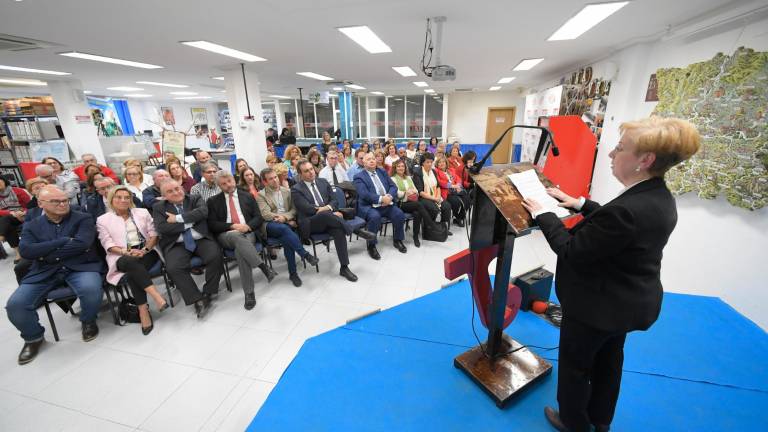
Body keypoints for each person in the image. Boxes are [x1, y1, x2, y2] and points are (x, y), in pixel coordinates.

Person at [520, 117, 701, 432]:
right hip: (626, 303)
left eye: (619, 148)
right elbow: (619, 228)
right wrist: (581, 204)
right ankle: (600, 420)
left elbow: (571, 250)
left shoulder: (628, 210)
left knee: (576, 367)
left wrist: (543, 212)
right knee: (609, 362)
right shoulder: (657, 196)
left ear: (645, 160)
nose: (610, 155)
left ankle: (573, 421)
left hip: (596, 306)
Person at [6, 186, 102, 365]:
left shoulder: (82, 218)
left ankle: (88, 320)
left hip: (80, 266)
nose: (62, 204)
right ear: (41, 203)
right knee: (16, 304)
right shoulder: (32, 224)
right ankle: (33, 338)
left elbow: (82, 244)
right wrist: (63, 241)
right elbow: (26, 250)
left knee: (91, 288)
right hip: (44, 270)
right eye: (56, 201)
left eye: (65, 200)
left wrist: (45, 252)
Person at [97, 186, 167, 335]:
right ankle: (156, 296)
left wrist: (145, 249)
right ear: (111, 200)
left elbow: (154, 234)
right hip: (121, 255)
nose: (123, 200)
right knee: (130, 263)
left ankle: (143, 311)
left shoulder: (142, 212)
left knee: (133, 272)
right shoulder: (103, 220)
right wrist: (126, 251)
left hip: (147, 252)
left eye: (127, 197)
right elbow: (107, 243)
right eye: (119, 197)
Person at [291, 159, 374, 282]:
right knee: (325, 215)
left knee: (338, 231)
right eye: (306, 171)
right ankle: (355, 230)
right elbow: (306, 208)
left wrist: (327, 208)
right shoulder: (296, 189)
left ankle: (344, 267)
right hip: (311, 223)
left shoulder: (323, 182)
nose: (311, 172)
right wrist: (328, 211)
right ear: (300, 174)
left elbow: (334, 201)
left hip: (330, 219)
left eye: (311, 169)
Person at [153, 179, 222, 318]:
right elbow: (162, 227)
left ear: (182, 188)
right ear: (164, 196)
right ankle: (197, 299)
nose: (176, 192)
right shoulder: (159, 207)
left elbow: (202, 213)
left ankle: (208, 292)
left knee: (215, 256)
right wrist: (189, 222)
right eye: (170, 191)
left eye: (177, 188)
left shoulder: (195, 198)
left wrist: (177, 219)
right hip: (176, 243)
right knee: (173, 268)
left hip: (200, 238)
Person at [207, 171, 276, 310]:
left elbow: (258, 217)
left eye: (230, 181)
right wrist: (232, 226)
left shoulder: (247, 196)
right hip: (226, 235)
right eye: (223, 184)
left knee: (240, 251)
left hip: (247, 232)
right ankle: (263, 267)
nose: (228, 185)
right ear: (218, 186)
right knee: (235, 236)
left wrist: (248, 226)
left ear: (234, 179)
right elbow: (212, 224)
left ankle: (249, 293)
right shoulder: (213, 201)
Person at [256, 168, 318, 287]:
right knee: (285, 230)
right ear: (264, 182)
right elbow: (266, 214)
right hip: (270, 225)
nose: (275, 180)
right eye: (271, 179)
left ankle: (293, 273)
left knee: (286, 236)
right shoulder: (261, 195)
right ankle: (304, 254)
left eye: (275, 177)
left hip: (286, 223)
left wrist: (285, 218)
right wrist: (284, 219)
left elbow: (294, 210)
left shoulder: (287, 191)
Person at [353, 153, 408, 259]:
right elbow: (364, 194)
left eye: (373, 158)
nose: (372, 161)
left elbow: (393, 186)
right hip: (369, 206)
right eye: (369, 159)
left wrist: (389, 197)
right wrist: (381, 199)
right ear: (363, 162)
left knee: (399, 214)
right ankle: (371, 245)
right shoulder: (359, 177)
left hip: (387, 203)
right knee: (375, 217)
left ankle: (397, 240)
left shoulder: (382, 171)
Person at [390, 159, 435, 248]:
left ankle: (415, 237)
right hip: (401, 203)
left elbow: (416, 191)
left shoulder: (408, 177)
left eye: (402, 166)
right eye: (398, 166)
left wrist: (412, 191)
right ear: (395, 168)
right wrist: (406, 192)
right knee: (419, 205)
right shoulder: (393, 179)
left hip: (412, 202)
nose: (401, 168)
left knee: (417, 213)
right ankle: (431, 224)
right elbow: (397, 193)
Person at [412, 152, 452, 235]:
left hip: (435, 195)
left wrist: (438, 196)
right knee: (433, 208)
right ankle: (429, 227)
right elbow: (420, 192)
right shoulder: (418, 173)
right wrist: (434, 199)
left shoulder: (433, 171)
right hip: (423, 197)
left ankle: (442, 227)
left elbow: (437, 186)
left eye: (431, 162)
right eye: (427, 162)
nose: (430, 164)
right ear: (422, 163)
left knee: (447, 206)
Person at [0, 176, 33, 262]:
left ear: (4, 180)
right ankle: (18, 252)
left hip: (23, 215)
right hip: (8, 219)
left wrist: (23, 212)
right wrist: (10, 213)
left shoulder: (18, 191)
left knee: (4, 222)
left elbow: (30, 205)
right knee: (7, 223)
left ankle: (1, 236)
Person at [435, 156, 469, 227]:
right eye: (439, 162)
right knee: (456, 202)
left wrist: (458, 185)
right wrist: (452, 186)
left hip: (456, 189)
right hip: (447, 192)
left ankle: (459, 217)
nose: (441, 164)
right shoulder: (436, 171)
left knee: (467, 200)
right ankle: (456, 215)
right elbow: (439, 182)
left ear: (446, 163)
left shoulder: (451, 170)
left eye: (443, 162)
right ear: (437, 164)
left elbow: (458, 178)